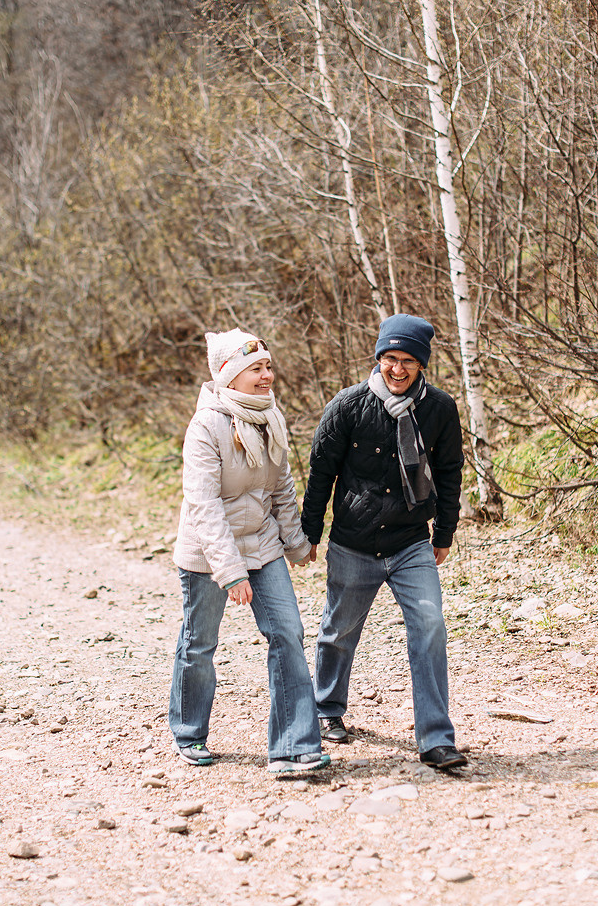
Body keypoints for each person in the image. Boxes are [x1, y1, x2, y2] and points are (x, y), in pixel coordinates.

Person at [301, 313, 467, 770]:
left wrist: (445, 531)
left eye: (408, 361)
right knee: (338, 631)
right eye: (390, 358)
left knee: (430, 626)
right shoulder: (348, 405)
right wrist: (309, 534)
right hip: (353, 543)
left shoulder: (439, 408)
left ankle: (436, 739)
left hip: (410, 541)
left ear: (422, 365)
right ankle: (327, 709)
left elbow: (450, 473)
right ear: (378, 359)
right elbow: (321, 473)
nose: (397, 369)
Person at [169, 328, 329, 775]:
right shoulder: (206, 426)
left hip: (262, 546)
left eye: (268, 367)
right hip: (208, 554)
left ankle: (294, 746)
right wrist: (230, 571)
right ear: (229, 376)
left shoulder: (269, 416)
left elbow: (280, 486)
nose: (266, 376)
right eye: (255, 369)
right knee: (199, 643)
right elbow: (203, 505)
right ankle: (189, 733)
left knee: (288, 632)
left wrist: (296, 542)